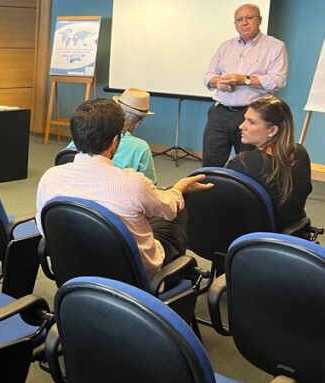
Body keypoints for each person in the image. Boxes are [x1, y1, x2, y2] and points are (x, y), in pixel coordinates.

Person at [36, 99, 212, 277]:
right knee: (176, 208)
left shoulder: (50, 178)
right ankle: (174, 276)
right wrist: (179, 188)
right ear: (114, 142)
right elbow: (169, 209)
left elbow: (45, 228)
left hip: (74, 267)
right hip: (133, 275)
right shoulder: (132, 183)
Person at [202, 3, 288, 167]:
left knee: (250, 165)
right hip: (220, 113)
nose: (244, 23)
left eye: (249, 18)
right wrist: (219, 83)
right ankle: (210, 192)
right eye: (239, 19)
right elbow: (208, 76)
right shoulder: (225, 46)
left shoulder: (275, 46)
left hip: (253, 115)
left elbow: (278, 80)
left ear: (260, 20)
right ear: (235, 24)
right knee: (210, 163)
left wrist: (244, 79)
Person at [225, 96, 312, 231]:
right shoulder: (300, 153)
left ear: (272, 130)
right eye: (245, 120)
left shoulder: (243, 164)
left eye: (251, 122)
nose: (242, 126)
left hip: (257, 239)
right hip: (291, 234)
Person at [66, 88, 157, 183]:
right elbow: (150, 184)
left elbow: (65, 157)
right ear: (138, 123)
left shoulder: (89, 132)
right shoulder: (141, 147)